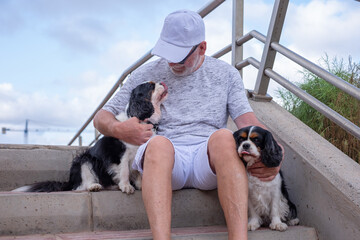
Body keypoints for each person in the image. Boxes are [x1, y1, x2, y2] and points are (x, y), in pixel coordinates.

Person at [93, 10, 282, 240]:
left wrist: (274, 150)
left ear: (202, 48)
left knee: (225, 137)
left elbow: (247, 121)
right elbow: (101, 117)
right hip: (167, 158)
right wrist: (118, 129)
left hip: (209, 157)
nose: (172, 62)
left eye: (180, 56)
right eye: (167, 53)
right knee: (158, 144)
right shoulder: (145, 74)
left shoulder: (226, 74)